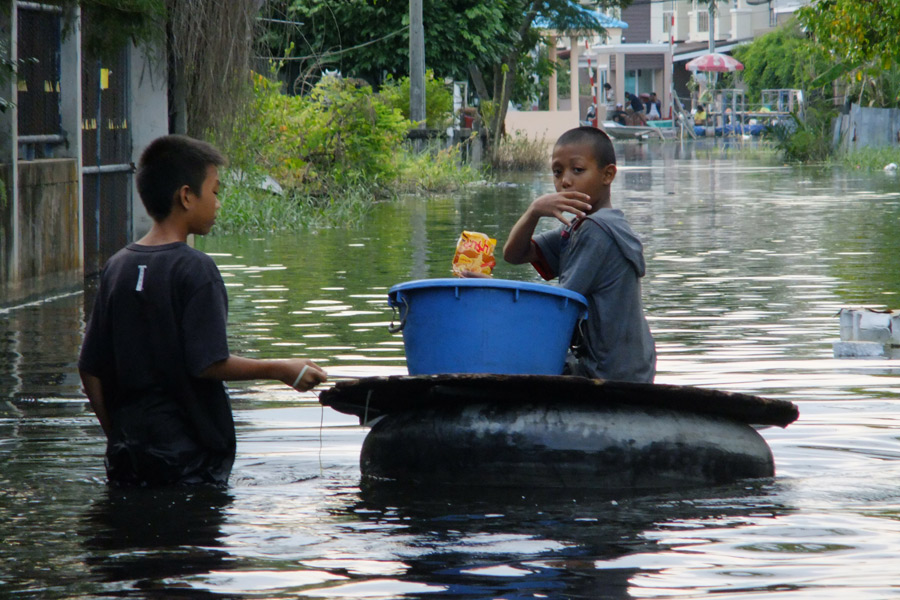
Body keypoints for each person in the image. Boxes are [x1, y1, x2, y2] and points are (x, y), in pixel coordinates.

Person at [78, 134, 328, 488]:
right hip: (189, 461)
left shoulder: (117, 266)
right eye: (214, 191)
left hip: (127, 457)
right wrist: (280, 369)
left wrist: (116, 435)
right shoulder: (196, 270)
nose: (219, 203)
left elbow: (89, 368)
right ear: (186, 196)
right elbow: (208, 362)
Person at [502, 126, 656, 383]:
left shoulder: (597, 230)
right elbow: (515, 254)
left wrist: (498, 307)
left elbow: (559, 306)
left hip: (608, 372)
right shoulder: (578, 227)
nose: (565, 181)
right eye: (557, 172)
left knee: (512, 343)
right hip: (631, 369)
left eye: (578, 170)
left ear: (607, 175)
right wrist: (534, 210)